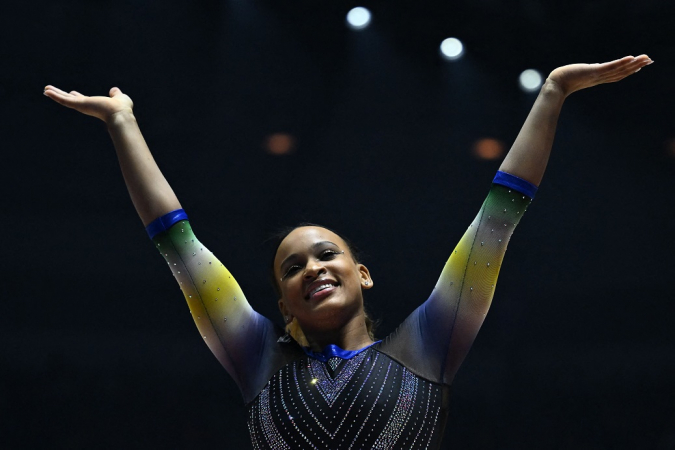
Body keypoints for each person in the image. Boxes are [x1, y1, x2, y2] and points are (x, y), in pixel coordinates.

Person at [44, 54, 652, 449]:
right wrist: (122, 122)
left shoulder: (428, 346)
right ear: (281, 302)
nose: (312, 268)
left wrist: (552, 92)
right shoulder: (256, 358)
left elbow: (497, 219)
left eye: (326, 255)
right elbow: (177, 243)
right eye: (292, 268)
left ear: (361, 274)